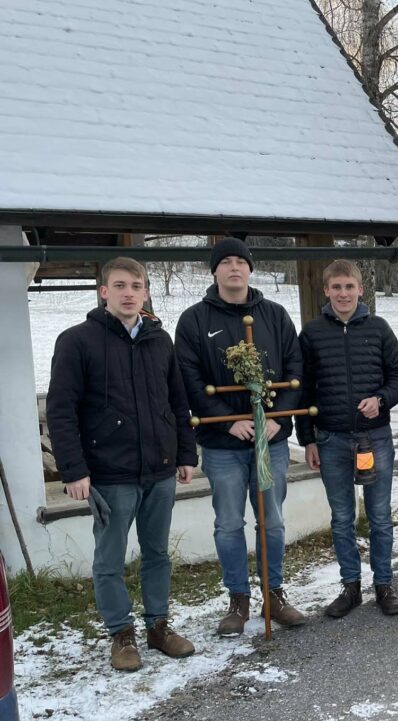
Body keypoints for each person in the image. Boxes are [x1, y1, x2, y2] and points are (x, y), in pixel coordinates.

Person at [47, 257, 197, 672]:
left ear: (146, 292)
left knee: (157, 554)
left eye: (136, 285)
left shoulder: (159, 341)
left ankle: (158, 627)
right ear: (104, 291)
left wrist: (186, 454)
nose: (129, 292)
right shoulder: (77, 341)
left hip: (160, 469)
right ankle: (121, 634)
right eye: (120, 285)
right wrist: (74, 470)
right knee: (109, 560)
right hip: (110, 475)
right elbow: (62, 411)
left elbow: (177, 403)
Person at [175, 236, 306, 636]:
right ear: (214, 271)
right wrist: (225, 420)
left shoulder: (275, 316)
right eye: (226, 262)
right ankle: (238, 599)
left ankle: (275, 594)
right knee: (228, 523)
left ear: (250, 269)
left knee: (274, 522)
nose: (234, 268)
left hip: (271, 440)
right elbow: (190, 380)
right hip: (222, 445)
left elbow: (295, 369)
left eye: (240, 261)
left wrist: (277, 420)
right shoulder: (194, 320)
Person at [297, 260, 398, 618]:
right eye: (337, 287)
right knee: (342, 517)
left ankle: (384, 584)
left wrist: (381, 399)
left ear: (361, 289)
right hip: (330, 438)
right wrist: (308, 439)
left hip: (374, 437)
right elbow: (303, 390)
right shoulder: (312, 334)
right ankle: (350, 586)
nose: (343, 294)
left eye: (350, 287)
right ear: (326, 291)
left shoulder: (378, 329)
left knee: (379, 515)